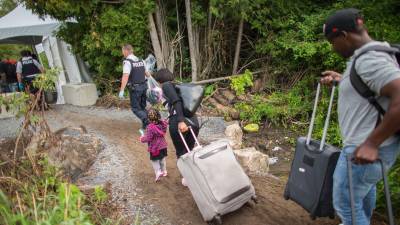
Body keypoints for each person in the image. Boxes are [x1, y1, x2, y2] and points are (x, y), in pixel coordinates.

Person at [321, 8, 400, 225]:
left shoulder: (369, 60)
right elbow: (372, 90)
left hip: (363, 150)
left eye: (332, 42)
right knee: (360, 198)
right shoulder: (371, 57)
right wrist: (343, 80)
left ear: (344, 36)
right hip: (367, 152)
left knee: (346, 205)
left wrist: (372, 143)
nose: (333, 48)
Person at [153, 68, 200, 186]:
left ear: (160, 80)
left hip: (179, 122)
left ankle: (188, 179)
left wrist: (180, 121)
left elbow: (176, 102)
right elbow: (171, 103)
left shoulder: (166, 86)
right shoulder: (177, 86)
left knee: (182, 153)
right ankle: (196, 176)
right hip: (193, 121)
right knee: (190, 150)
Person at [119, 44, 150, 131]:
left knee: (136, 109)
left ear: (126, 51)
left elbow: (125, 76)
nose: (122, 53)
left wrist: (121, 90)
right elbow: (148, 74)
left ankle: (148, 121)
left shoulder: (127, 62)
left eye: (122, 51)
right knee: (142, 107)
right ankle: (146, 126)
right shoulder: (141, 60)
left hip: (135, 89)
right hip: (144, 87)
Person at [140, 108, 168, 182]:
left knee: (154, 160)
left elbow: (149, 138)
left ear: (148, 118)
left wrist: (142, 139)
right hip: (163, 146)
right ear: (158, 115)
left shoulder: (150, 127)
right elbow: (164, 131)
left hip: (155, 148)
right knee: (162, 159)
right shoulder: (163, 124)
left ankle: (158, 172)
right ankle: (164, 171)